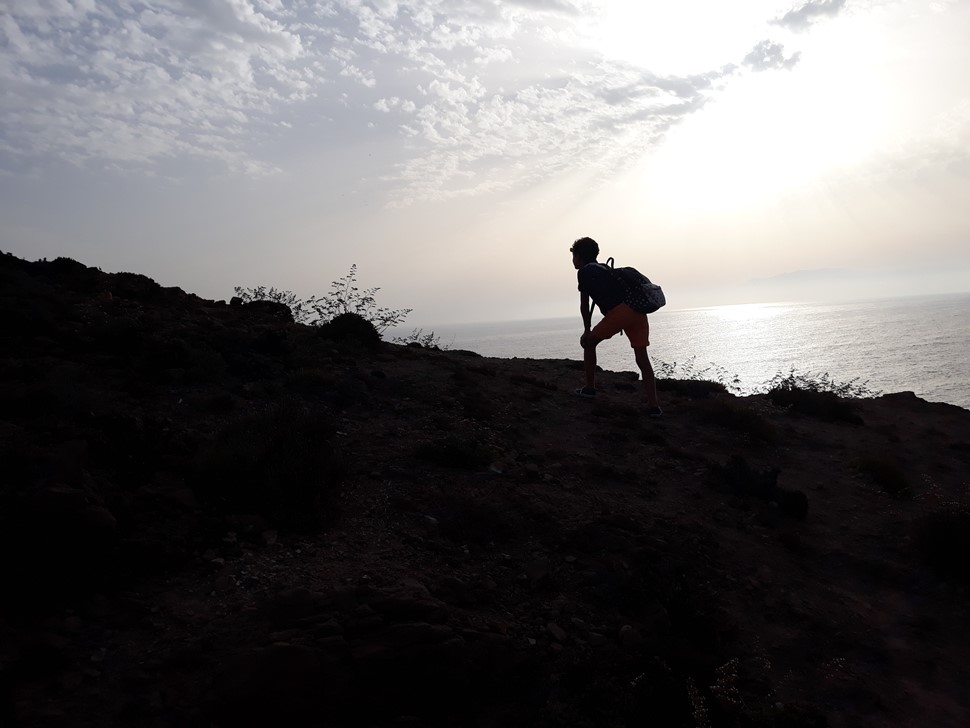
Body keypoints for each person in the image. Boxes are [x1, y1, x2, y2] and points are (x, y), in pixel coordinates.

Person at [570, 236, 662, 416]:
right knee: (642, 357)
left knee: (589, 343)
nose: (573, 260)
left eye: (574, 256)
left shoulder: (584, 272)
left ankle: (589, 388)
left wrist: (587, 330)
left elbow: (584, 306)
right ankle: (654, 406)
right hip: (638, 310)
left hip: (620, 313)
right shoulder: (605, 268)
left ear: (580, 256)